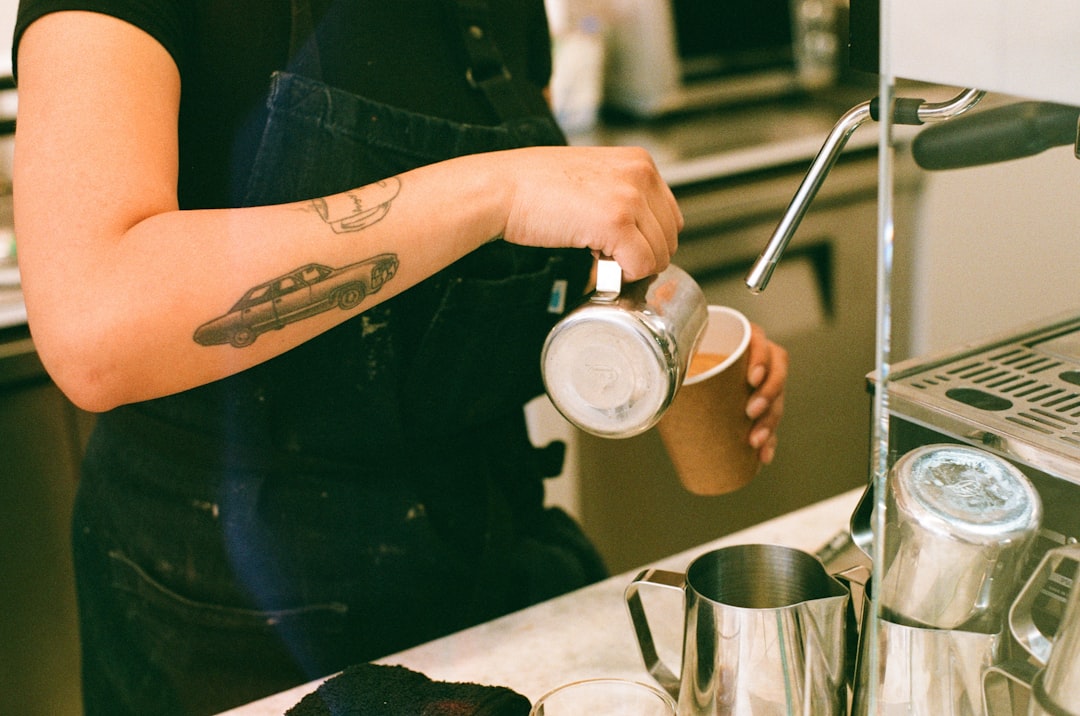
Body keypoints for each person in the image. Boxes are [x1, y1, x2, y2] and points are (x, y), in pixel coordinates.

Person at [11, 1, 788, 714]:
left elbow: (490, 273)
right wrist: (498, 189)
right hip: (243, 629)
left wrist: (650, 343)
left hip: (488, 580)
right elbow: (94, 325)